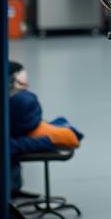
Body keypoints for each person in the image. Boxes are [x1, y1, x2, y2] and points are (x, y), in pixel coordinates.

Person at [8, 61, 83, 196]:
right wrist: (48, 140)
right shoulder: (22, 103)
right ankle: (11, 191)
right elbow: (12, 144)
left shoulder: (14, 103)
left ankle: (13, 190)